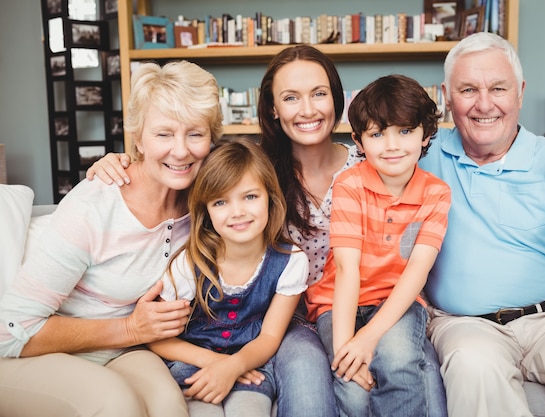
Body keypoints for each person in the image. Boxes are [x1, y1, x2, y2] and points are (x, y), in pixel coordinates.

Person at [86, 44, 449, 417]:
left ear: (337, 100)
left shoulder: (373, 159)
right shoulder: (256, 168)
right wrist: (123, 161)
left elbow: (421, 150)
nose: (307, 109)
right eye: (291, 98)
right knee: (328, 381)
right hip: (286, 314)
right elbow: (187, 168)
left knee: (420, 374)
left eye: (319, 94)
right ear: (274, 109)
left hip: (376, 303)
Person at [418, 31, 545, 417]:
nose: (484, 104)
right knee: (472, 366)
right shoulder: (420, 156)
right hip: (465, 325)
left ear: (520, 92)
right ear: (447, 95)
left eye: (498, 88)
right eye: (468, 90)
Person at [0, 60, 223, 417]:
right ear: (138, 138)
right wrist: (130, 328)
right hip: (30, 353)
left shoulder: (207, 202)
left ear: (212, 137)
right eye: (163, 134)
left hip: (125, 352)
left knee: (169, 409)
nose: (181, 151)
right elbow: (10, 329)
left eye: (195, 133)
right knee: (118, 406)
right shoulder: (95, 205)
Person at [305, 74, 451, 417]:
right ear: (359, 140)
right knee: (353, 386)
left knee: (399, 364)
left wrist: (369, 337)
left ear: (426, 134)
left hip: (397, 300)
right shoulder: (349, 184)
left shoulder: (436, 194)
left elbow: (417, 272)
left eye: (405, 131)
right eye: (377, 134)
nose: (392, 145)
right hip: (337, 300)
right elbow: (346, 270)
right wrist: (346, 349)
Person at [149, 136, 309, 417]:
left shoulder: (291, 261)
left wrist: (235, 365)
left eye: (250, 196)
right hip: (194, 364)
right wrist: (216, 363)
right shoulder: (189, 263)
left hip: (250, 367)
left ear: (270, 198)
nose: (238, 212)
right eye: (221, 201)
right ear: (206, 211)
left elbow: (270, 336)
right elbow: (158, 338)